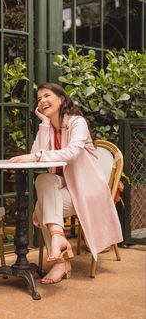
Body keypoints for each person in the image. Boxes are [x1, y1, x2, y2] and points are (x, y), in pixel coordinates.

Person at [9, 82, 123, 285]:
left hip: (85, 191)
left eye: (47, 96)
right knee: (44, 179)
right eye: (39, 99)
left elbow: (70, 153)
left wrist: (36, 156)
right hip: (62, 188)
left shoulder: (76, 122)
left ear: (61, 99)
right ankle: (58, 239)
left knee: (44, 206)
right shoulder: (48, 127)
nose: (42, 101)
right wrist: (44, 123)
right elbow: (38, 151)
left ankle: (61, 263)